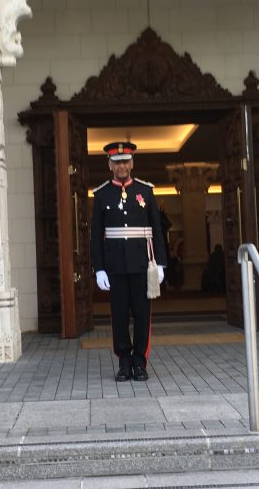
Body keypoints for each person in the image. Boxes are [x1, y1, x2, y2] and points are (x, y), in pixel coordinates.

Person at [90, 142, 167, 382]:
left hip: (142, 264)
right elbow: (96, 235)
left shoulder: (145, 191)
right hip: (115, 266)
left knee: (142, 314)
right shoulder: (101, 194)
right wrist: (99, 268)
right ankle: (124, 361)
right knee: (119, 314)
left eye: (125, 161)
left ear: (132, 163)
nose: (121, 166)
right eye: (117, 162)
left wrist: (161, 263)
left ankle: (140, 362)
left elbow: (157, 229)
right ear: (109, 165)